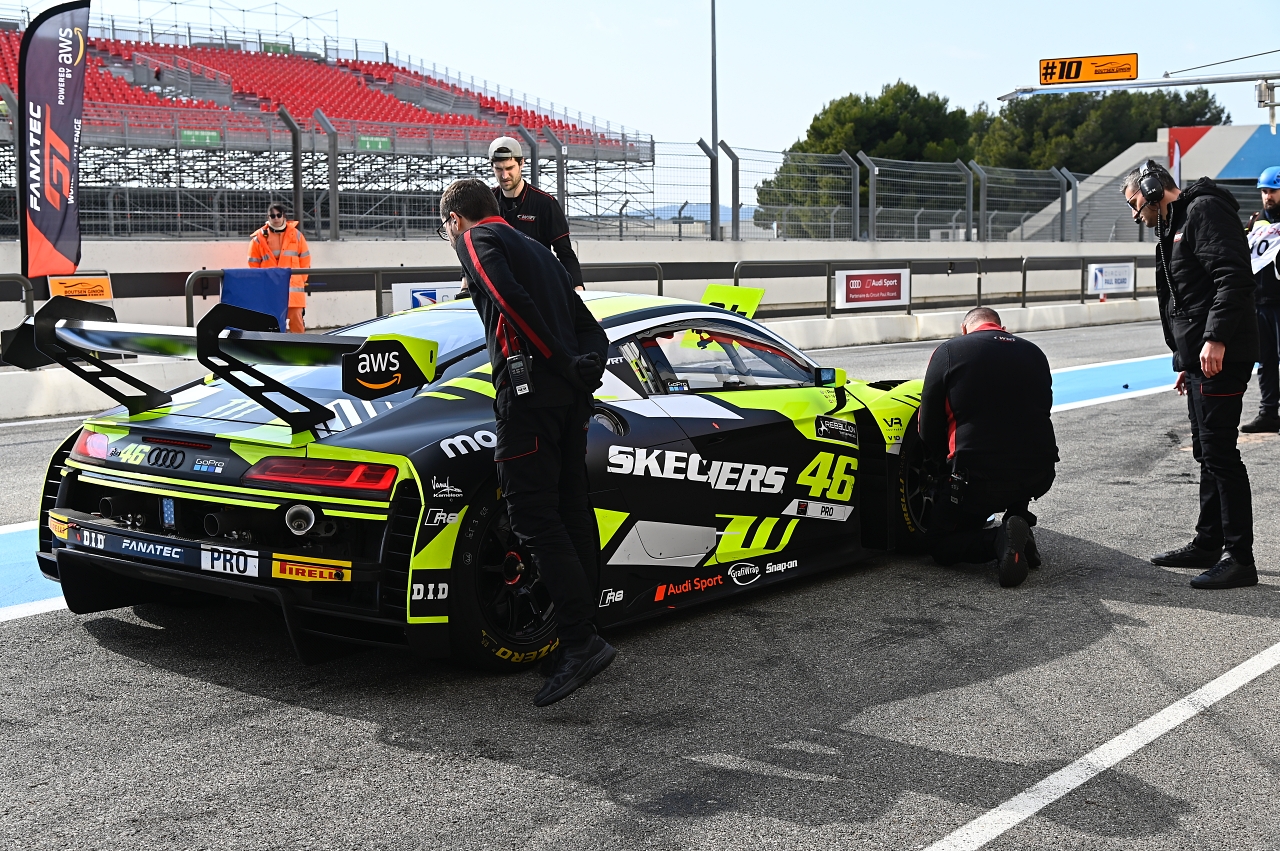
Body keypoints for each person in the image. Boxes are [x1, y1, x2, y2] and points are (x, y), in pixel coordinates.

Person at [440, 178, 614, 706]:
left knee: (534, 518)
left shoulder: (477, 239)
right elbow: (592, 328)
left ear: (455, 220)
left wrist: (558, 361)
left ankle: (579, 643)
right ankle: (585, 632)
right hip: (569, 401)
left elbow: (507, 300)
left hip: (530, 398)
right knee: (570, 511)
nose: (450, 238)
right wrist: (583, 367)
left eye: (446, 230)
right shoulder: (539, 250)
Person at [1123, 160, 1260, 589]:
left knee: (1220, 454)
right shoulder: (1175, 223)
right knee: (1206, 451)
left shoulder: (1204, 211)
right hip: (1201, 359)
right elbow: (1187, 299)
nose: (1135, 214)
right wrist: (1185, 361)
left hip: (1222, 354)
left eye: (1134, 203)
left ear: (1152, 188)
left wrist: (1215, 339)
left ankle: (1240, 559)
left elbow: (1233, 279)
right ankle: (1208, 543)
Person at [918, 307, 1058, 588]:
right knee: (1015, 460)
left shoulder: (949, 351)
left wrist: (941, 469)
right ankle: (1018, 520)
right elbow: (1044, 408)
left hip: (977, 477)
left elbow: (928, 423)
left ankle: (998, 540)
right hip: (1038, 473)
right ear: (1000, 327)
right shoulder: (1035, 352)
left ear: (964, 329)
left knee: (939, 544)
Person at [487, 135, 584, 291]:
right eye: (499, 169)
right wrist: (465, 285)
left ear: (521, 163)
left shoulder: (545, 203)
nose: (504, 175)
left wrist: (578, 289)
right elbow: (474, 247)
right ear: (492, 167)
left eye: (509, 168)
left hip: (537, 290)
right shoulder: (486, 202)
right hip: (498, 290)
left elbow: (565, 252)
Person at [1242, 166, 1280, 433]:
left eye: (1273, 191)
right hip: (1260, 302)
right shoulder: (1255, 222)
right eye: (1264, 191)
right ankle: (1268, 413)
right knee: (1265, 361)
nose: (1268, 196)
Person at [247, 203, 311, 332]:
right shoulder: (258, 239)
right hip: (270, 288)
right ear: (268, 217)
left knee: (296, 321)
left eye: (278, 215)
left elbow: (305, 260)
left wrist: (301, 280)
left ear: (283, 216)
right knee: (273, 323)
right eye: (272, 216)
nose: (276, 218)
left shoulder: (297, 236)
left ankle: (300, 344)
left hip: (293, 289)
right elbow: (253, 264)